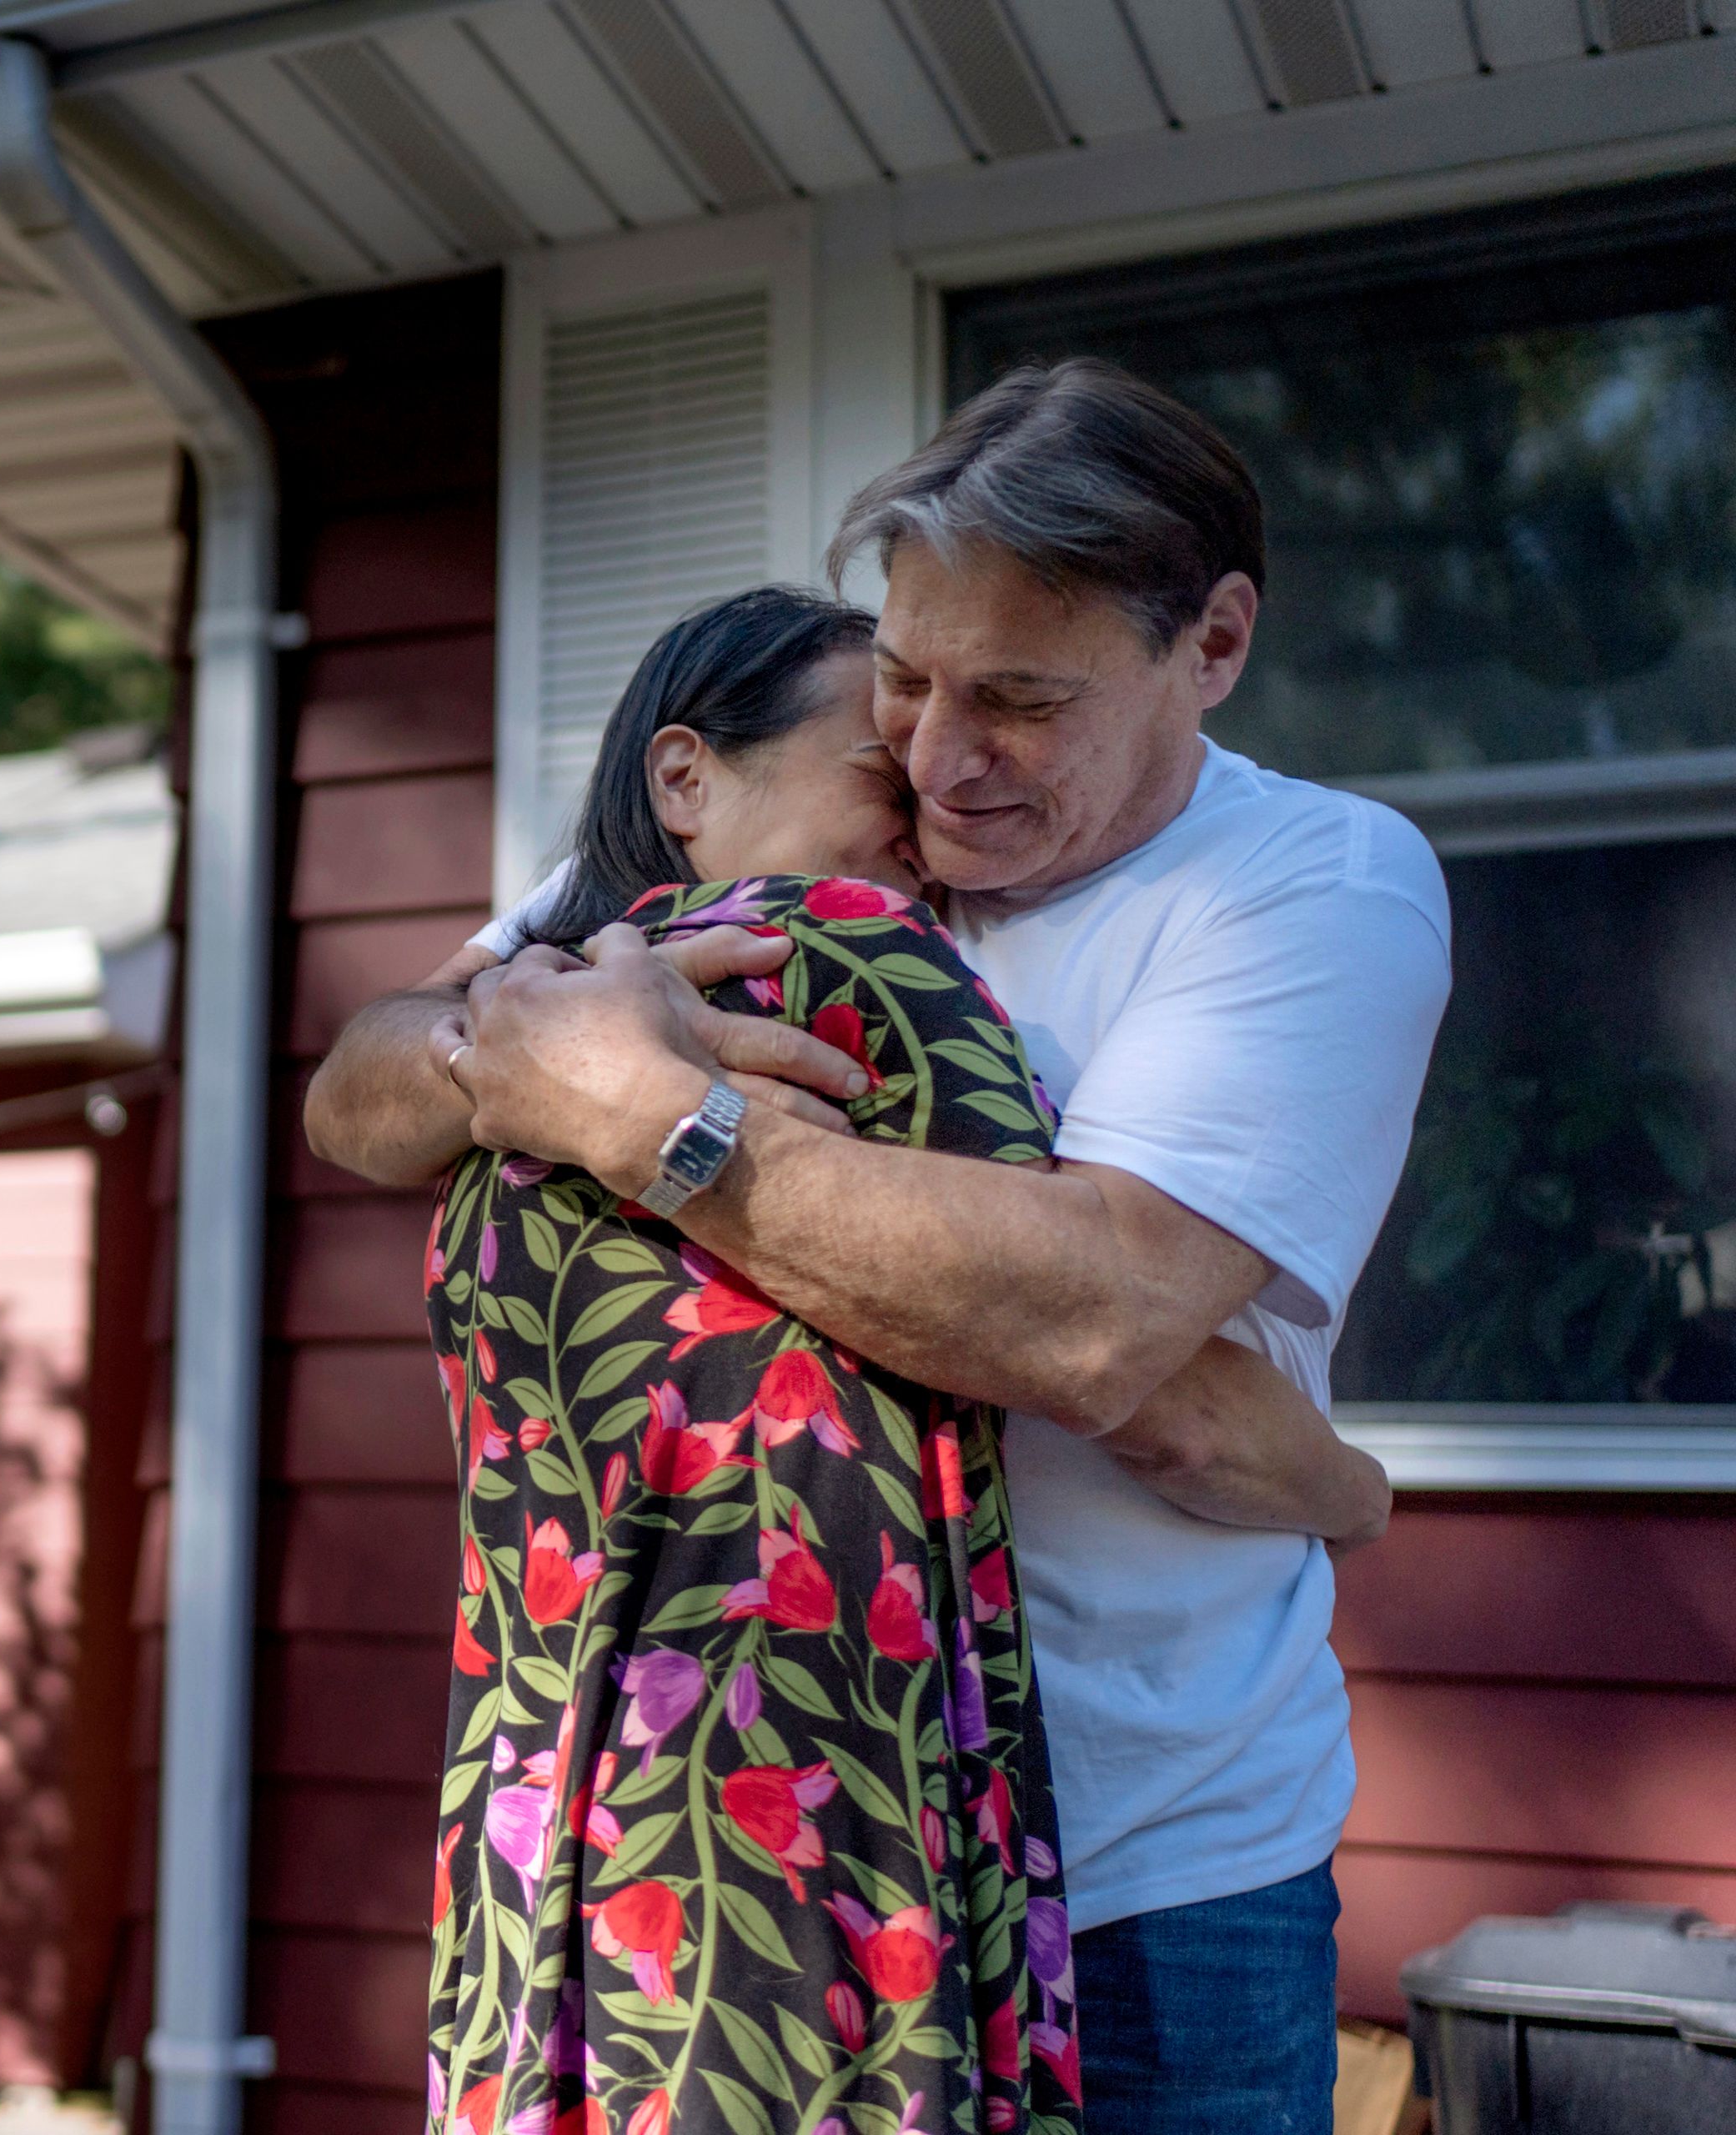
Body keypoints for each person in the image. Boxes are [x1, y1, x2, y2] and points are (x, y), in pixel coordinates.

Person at [311, 359, 1448, 2135]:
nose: (932, 759)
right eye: (906, 685)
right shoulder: (755, 868)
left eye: (1018, 701)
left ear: (1211, 647)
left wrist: (647, 1115)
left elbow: (1094, 1326)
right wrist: (490, 1051)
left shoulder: (1307, 885)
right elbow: (360, 1091)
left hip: (1140, 1867)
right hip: (765, 1831)